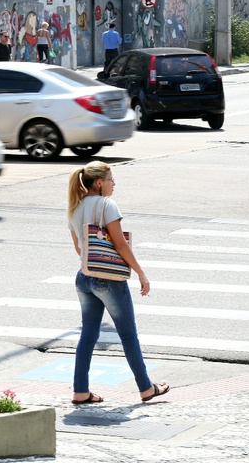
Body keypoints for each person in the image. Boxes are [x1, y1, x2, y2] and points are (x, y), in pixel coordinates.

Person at [67, 161, 169, 404]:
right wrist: (141, 273)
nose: (114, 184)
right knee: (128, 334)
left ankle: (80, 391)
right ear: (99, 183)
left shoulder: (74, 207)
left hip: (84, 277)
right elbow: (120, 245)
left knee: (88, 335)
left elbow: (79, 248)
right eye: (111, 179)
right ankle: (146, 388)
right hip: (110, 281)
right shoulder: (107, 205)